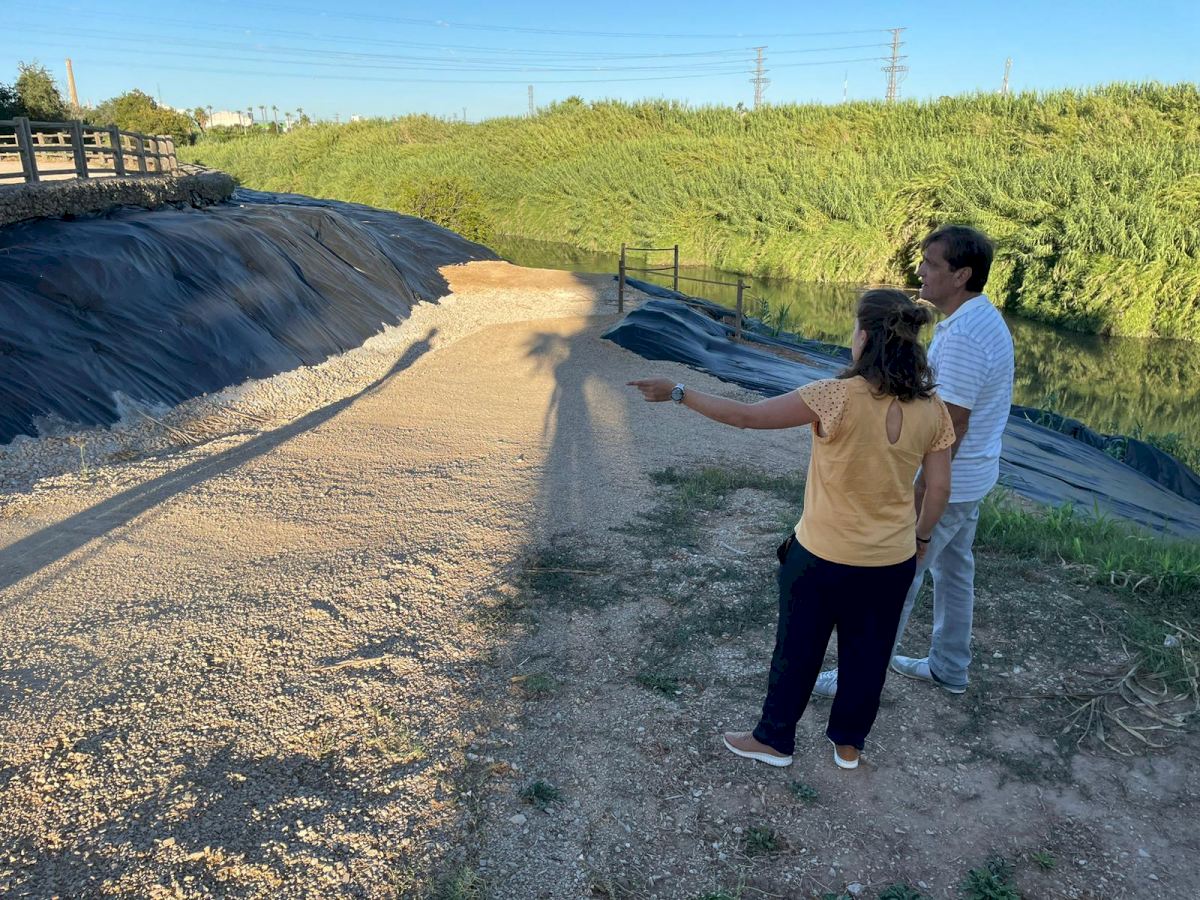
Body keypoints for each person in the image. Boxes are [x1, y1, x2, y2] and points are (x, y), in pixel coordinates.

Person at [629, 289, 954, 769]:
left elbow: (747, 417)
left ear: (865, 338)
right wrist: (921, 537)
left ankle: (775, 739)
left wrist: (679, 392)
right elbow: (939, 488)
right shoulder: (933, 408)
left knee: (797, 649)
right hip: (891, 561)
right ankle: (849, 745)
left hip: (820, 556)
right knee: (869, 655)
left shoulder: (834, 395)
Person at [813, 225, 1013, 699]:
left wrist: (923, 490)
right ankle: (949, 666)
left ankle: (858, 677)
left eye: (931, 263)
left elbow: (953, 424)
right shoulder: (980, 318)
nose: (919, 270)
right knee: (955, 571)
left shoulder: (965, 338)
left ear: (961, 275)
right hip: (973, 477)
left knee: (899, 576)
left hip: (952, 481)